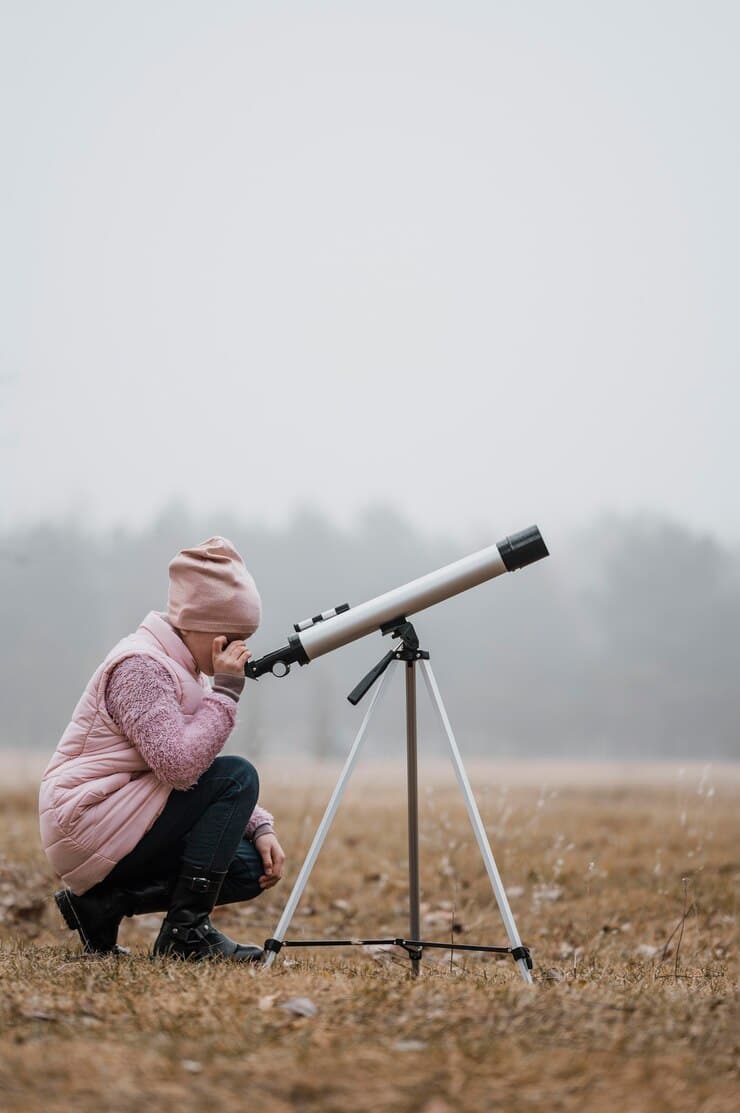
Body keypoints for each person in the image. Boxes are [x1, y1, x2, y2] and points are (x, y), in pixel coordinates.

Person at [38, 535, 286, 963]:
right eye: (233, 637)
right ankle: (185, 935)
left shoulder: (182, 666)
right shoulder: (141, 667)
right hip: (87, 817)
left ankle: (104, 905)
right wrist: (226, 692)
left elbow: (195, 774)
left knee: (248, 867)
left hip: (126, 812)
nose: (241, 651)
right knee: (239, 774)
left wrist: (257, 826)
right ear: (198, 624)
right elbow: (179, 767)